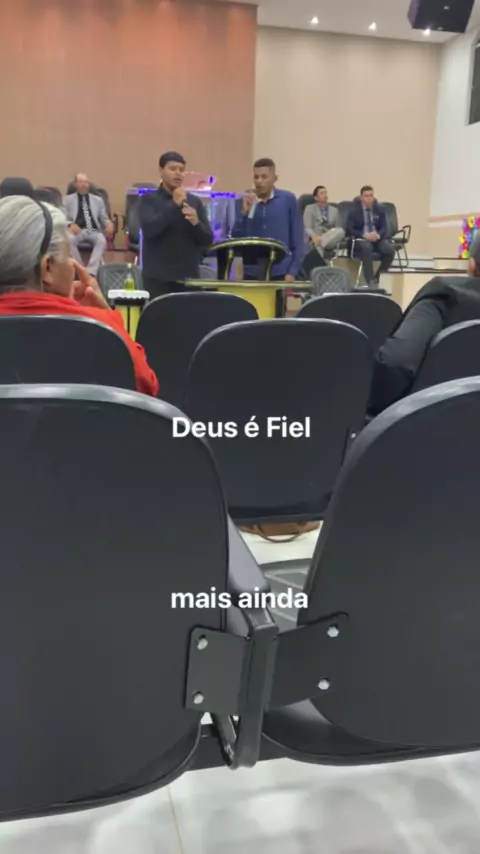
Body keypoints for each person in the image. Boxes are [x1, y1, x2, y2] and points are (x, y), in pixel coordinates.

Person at [0, 195, 158, 397]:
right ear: (47, 268)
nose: (73, 265)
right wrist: (106, 318)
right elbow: (148, 388)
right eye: (69, 255)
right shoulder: (102, 328)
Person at [369, 247, 480, 415]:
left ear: (472, 265)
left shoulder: (444, 296)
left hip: (433, 419)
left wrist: (375, 412)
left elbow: (397, 363)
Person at [138, 151, 213, 299]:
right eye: (173, 169)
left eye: (181, 170)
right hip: (158, 278)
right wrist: (174, 204)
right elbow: (149, 229)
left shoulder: (194, 202)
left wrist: (197, 223)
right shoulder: (148, 200)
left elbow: (207, 240)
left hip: (188, 278)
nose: (178, 173)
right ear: (161, 171)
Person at [232, 158, 304, 283]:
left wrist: (292, 272)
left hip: (281, 272)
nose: (259, 181)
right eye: (256, 177)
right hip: (252, 272)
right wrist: (243, 213)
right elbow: (235, 238)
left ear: (274, 178)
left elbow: (297, 239)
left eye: (264, 177)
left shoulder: (287, 200)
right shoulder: (244, 201)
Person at [63, 173, 114, 276]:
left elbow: (104, 217)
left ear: (89, 184)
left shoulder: (98, 200)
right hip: (77, 231)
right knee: (69, 240)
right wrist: (69, 225)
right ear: (75, 184)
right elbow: (62, 217)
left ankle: (91, 271)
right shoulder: (67, 200)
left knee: (101, 240)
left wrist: (109, 224)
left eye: (86, 182)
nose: (83, 185)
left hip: (93, 230)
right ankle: (80, 269)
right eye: (80, 182)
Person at [346, 186, 395, 287]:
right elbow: (350, 229)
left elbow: (384, 228)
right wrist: (364, 235)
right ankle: (370, 281)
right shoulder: (354, 211)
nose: (369, 198)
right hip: (360, 239)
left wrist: (378, 235)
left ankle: (378, 277)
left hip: (376, 239)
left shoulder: (379, 210)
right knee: (367, 248)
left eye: (371, 196)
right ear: (361, 198)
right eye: (366, 196)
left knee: (390, 250)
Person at [302, 185, 345, 277]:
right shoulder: (309, 208)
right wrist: (314, 236)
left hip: (329, 240)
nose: (325, 195)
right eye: (322, 193)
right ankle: (324, 275)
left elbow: (338, 228)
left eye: (325, 193)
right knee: (317, 247)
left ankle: (322, 242)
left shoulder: (334, 210)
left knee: (341, 231)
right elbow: (307, 227)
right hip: (315, 238)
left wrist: (322, 239)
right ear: (316, 198)